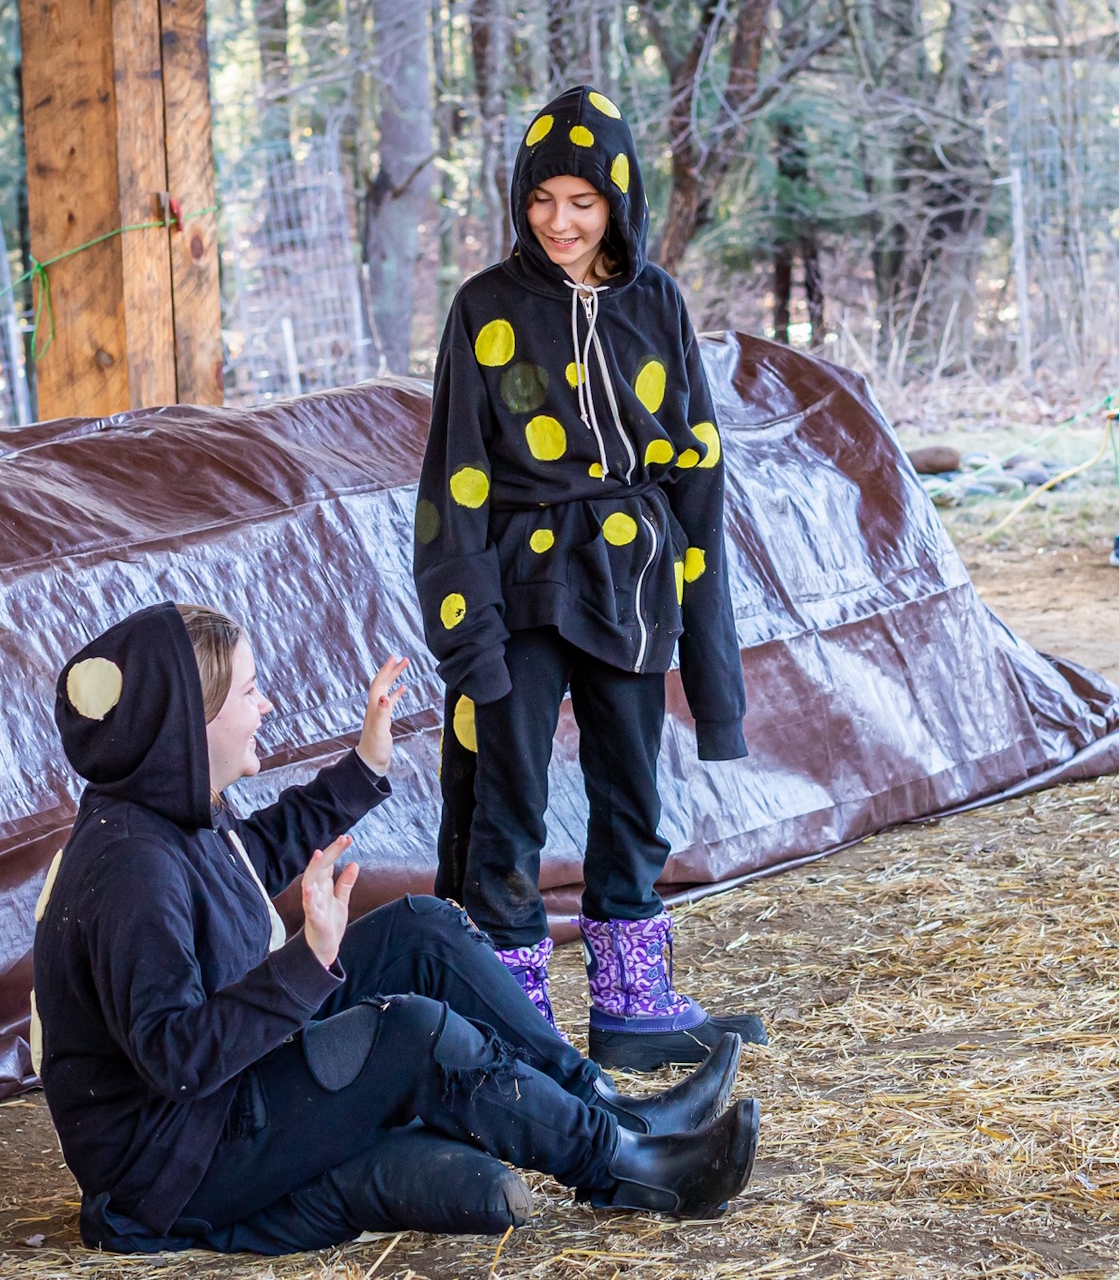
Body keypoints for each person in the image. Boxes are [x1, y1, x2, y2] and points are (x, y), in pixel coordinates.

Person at [31, 602, 760, 1255]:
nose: (266, 705)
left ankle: (610, 1110)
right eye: (249, 692)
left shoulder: (171, 813)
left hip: (223, 1091)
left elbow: (251, 856)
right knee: (410, 1033)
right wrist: (306, 963)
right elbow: (176, 1059)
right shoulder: (133, 870)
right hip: (174, 1162)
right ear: (189, 723)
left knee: (423, 929)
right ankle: (629, 1169)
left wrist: (363, 767)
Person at [414, 85, 764, 1072]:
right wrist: (467, 632)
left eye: (582, 201)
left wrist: (712, 660)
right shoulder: (485, 307)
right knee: (507, 797)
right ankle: (515, 1024)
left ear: (619, 200)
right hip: (520, 583)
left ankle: (633, 1007)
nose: (559, 222)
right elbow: (453, 479)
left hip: (631, 582)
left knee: (632, 789)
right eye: (541, 200)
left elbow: (697, 474)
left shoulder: (657, 303)